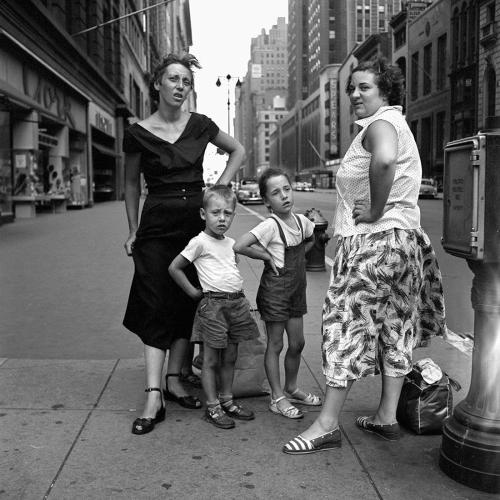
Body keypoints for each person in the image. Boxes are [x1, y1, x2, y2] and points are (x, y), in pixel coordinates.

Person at [282, 57, 446, 454]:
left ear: (385, 92)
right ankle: (386, 417)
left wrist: (373, 209)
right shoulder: (396, 123)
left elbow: (385, 160)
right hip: (406, 244)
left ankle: (326, 424)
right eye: (351, 88)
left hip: (375, 242)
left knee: (343, 325)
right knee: (394, 327)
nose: (354, 94)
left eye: (364, 87)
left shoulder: (380, 125)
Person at [123, 53, 245, 435]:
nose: (180, 86)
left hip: (195, 226)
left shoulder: (201, 125)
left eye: (186, 81)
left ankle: (175, 379)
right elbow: (129, 185)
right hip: (157, 224)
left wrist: (219, 187)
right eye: (173, 79)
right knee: (154, 301)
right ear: (157, 84)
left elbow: (237, 150)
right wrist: (131, 229)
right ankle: (154, 393)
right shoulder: (138, 131)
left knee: (188, 302)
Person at [233, 168, 321, 420]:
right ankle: (277, 396)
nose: (283, 196)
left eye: (286, 189)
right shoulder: (270, 225)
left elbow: (312, 240)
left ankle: (291, 387)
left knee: (298, 343)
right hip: (274, 293)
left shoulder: (303, 222)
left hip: (296, 292)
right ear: (266, 201)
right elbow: (240, 245)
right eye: (275, 192)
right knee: (276, 344)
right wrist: (266, 255)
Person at [169, 185, 260, 429]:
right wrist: (192, 292)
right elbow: (174, 267)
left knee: (230, 357)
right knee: (210, 360)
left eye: (227, 213)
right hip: (214, 306)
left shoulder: (231, 243)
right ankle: (212, 407)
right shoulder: (199, 242)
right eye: (216, 212)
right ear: (203, 214)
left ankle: (227, 400)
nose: (222, 218)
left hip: (236, 304)